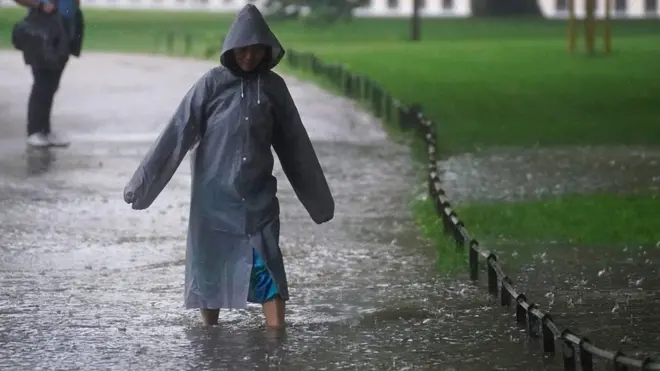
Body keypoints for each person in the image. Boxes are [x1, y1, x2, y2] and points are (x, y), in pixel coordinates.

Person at [123, 4, 334, 329]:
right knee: (211, 272)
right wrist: (142, 185)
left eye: (256, 50)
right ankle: (210, 339)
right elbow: (176, 133)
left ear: (267, 49)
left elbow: (296, 145)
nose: (249, 57)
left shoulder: (274, 88)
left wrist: (320, 203)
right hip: (213, 201)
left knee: (268, 268)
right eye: (242, 50)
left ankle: (277, 343)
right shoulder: (210, 85)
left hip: (258, 200)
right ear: (231, 49)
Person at [13, 0, 85, 148]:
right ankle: (34, 131)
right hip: (44, 31)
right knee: (42, 84)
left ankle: (44, 130)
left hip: (63, 31)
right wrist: (40, 4)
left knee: (51, 85)